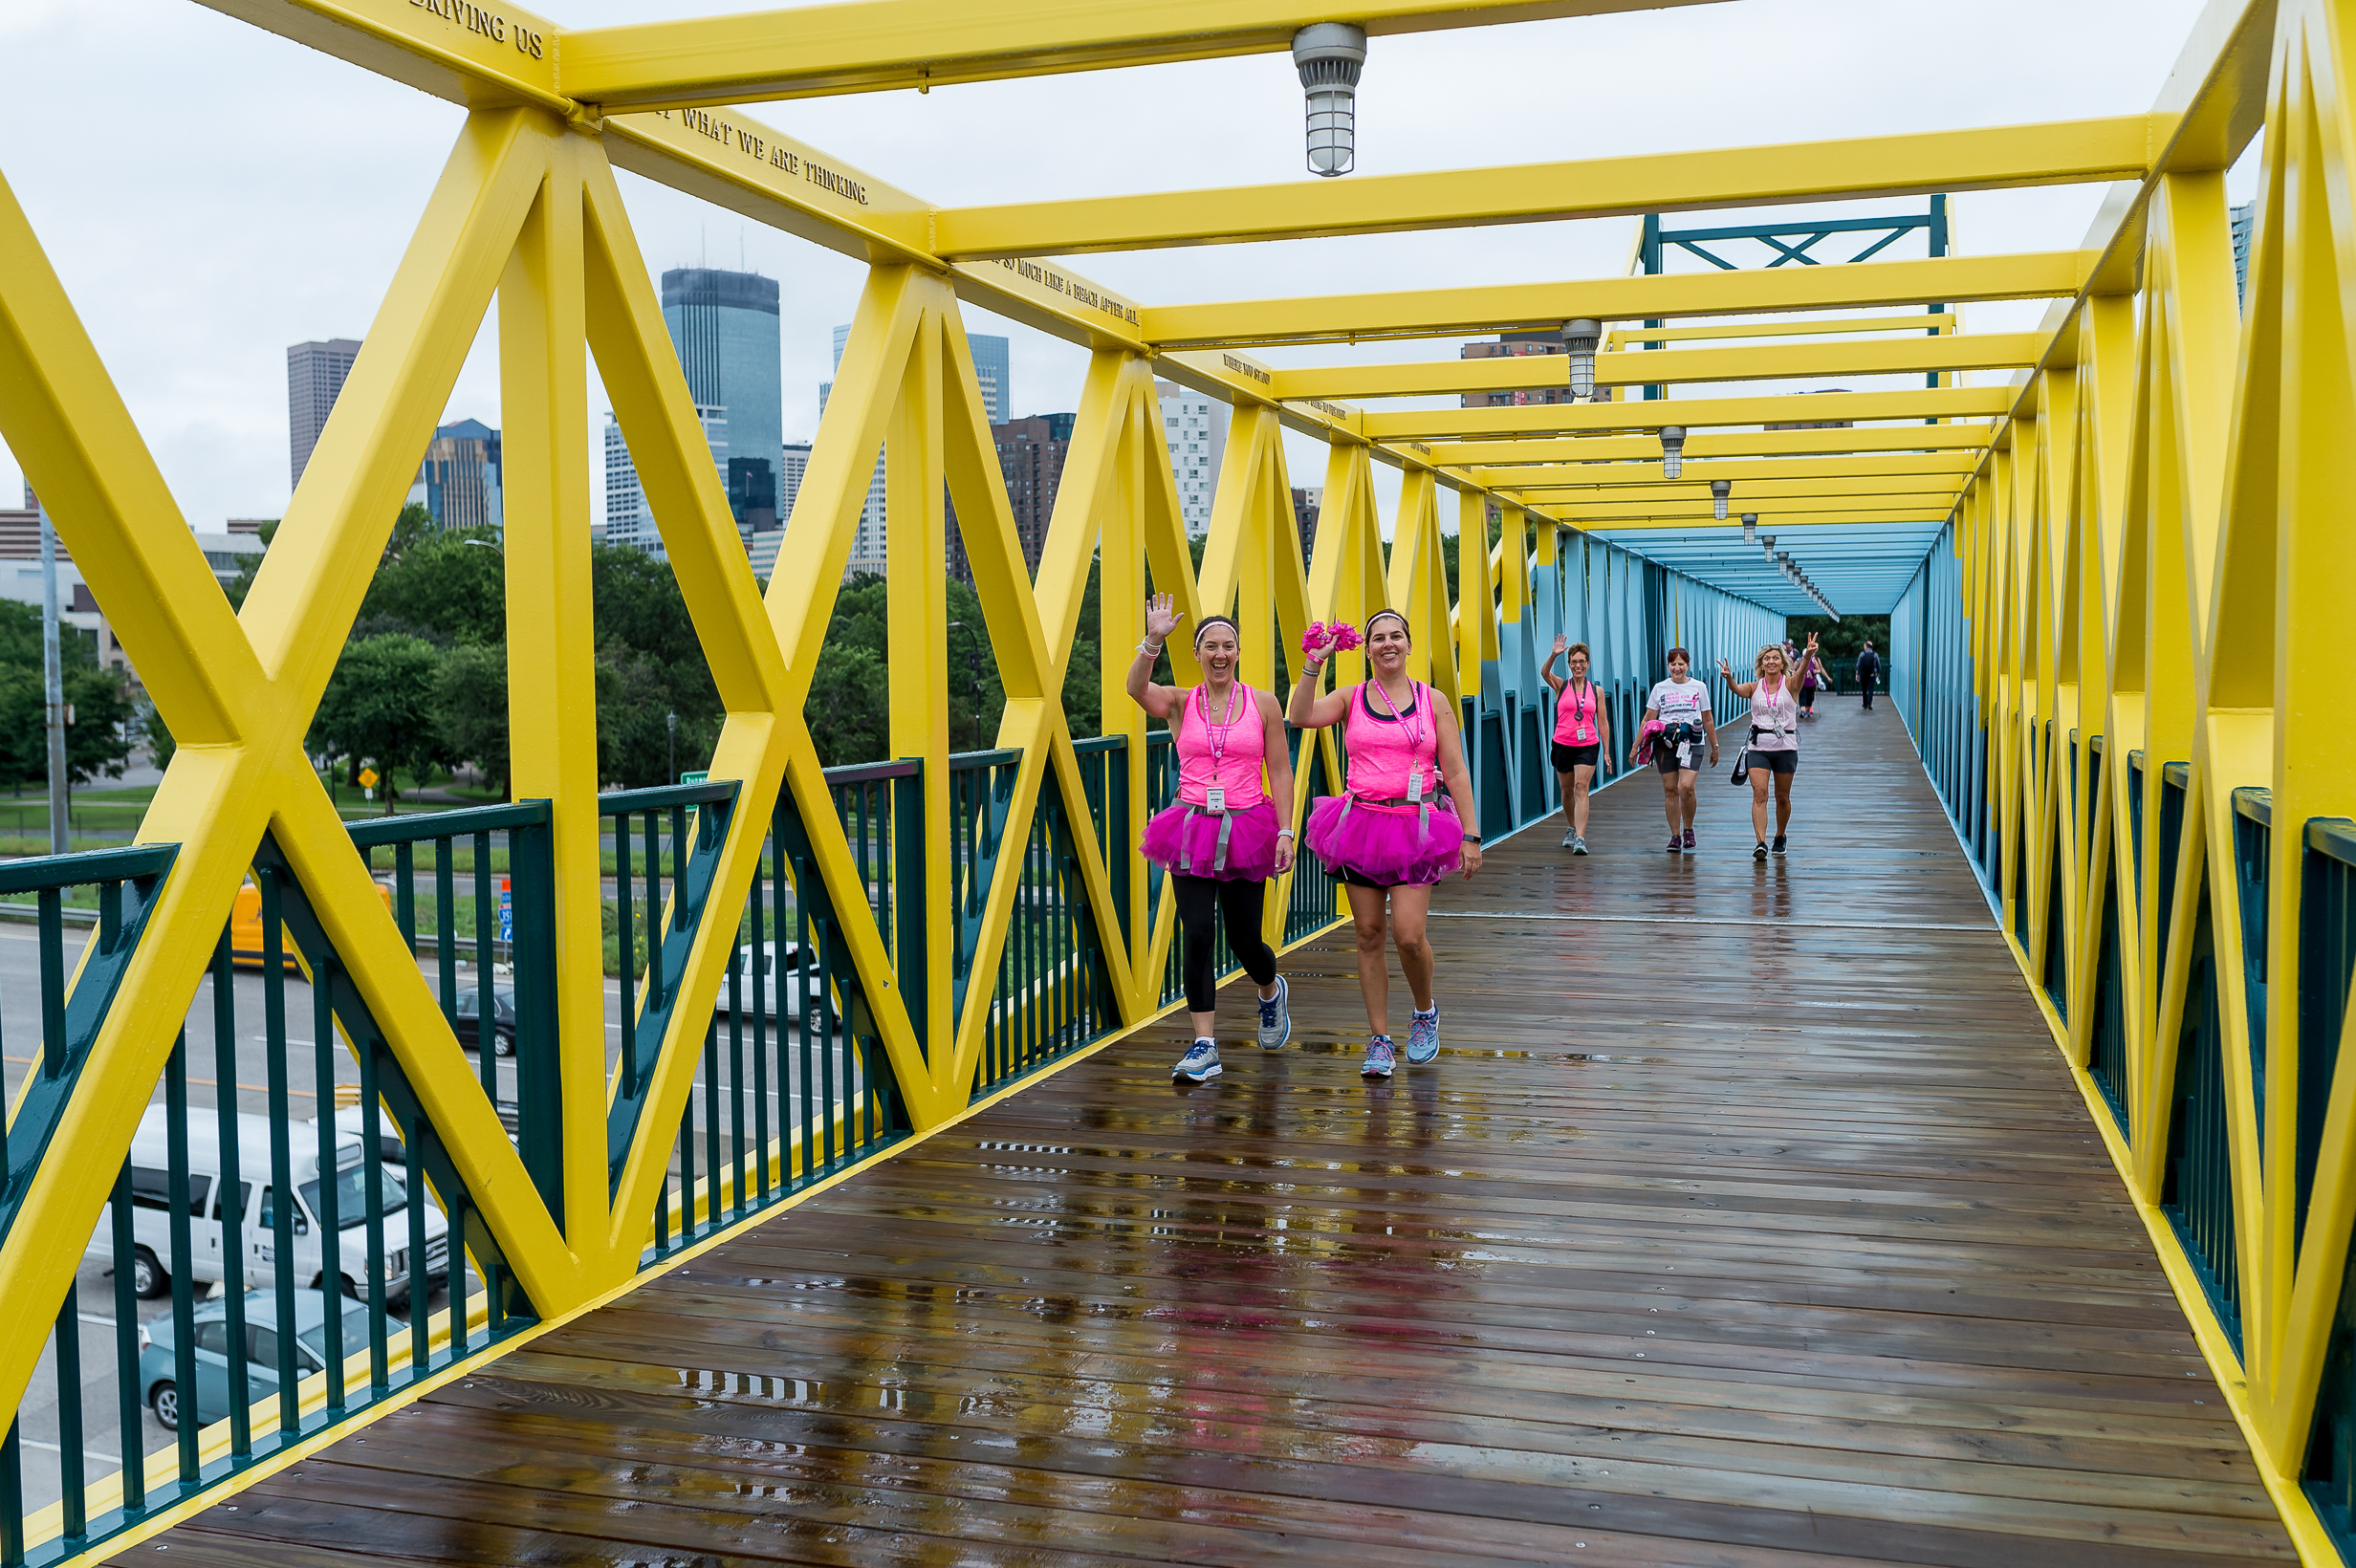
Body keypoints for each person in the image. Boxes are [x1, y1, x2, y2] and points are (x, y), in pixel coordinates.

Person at [1290, 611, 1483, 1079]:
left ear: (1409, 644)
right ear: (1367, 649)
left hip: (1415, 825)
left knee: (1409, 936)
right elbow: (1300, 716)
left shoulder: (1433, 700)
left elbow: (1455, 769)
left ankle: (1424, 1012)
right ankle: (1379, 1039)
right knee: (1369, 933)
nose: (1388, 644)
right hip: (1361, 823)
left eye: (1396, 636)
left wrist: (1472, 835)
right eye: (1378, 638)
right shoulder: (1351, 697)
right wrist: (1314, 663)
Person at [1130, 594, 1295, 1084]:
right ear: (1198, 654)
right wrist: (1152, 641)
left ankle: (1270, 989)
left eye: (1228, 646)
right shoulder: (1181, 702)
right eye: (1210, 647)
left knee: (1245, 940)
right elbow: (1136, 688)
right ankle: (1204, 1045)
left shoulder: (1263, 703)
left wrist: (1286, 830)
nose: (1219, 654)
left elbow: (1279, 770)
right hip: (1191, 825)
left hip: (1247, 825)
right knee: (1198, 932)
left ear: (1238, 652)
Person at [1718, 633, 1816, 859]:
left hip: (1785, 747)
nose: (1771, 661)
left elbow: (1801, 674)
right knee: (1759, 793)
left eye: (1775, 658)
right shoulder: (1755, 687)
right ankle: (1760, 842)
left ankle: (1780, 835)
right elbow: (1738, 690)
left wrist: (1807, 657)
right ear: (1761, 664)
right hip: (1758, 746)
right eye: (1767, 658)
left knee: (1782, 797)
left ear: (1783, 663)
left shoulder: (1790, 684)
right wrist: (1729, 679)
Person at [1541, 635, 1613, 854]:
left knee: (1581, 788)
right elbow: (1544, 673)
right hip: (1562, 744)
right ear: (1569, 664)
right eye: (1574, 662)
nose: (1578, 665)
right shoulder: (1561, 685)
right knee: (1566, 792)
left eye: (1582, 661)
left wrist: (1607, 751)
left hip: (1588, 744)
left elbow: (1603, 722)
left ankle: (1581, 838)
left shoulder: (1596, 691)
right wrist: (1554, 655)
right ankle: (1572, 828)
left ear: (1588, 664)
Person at [1643, 647, 1717, 854]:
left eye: (1681, 664)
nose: (1677, 668)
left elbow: (1707, 718)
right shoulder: (1659, 688)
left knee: (1686, 787)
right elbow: (1649, 718)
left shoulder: (1699, 687)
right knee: (1670, 790)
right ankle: (1675, 836)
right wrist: (1635, 747)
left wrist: (1715, 746)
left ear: (1688, 665)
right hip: (1665, 743)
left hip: (1692, 742)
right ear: (1668, 666)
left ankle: (1688, 829)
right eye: (1673, 664)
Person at [1798, 650, 1826, 720]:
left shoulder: (1813, 661)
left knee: (1810, 698)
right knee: (1802, 697)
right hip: (1802, 683)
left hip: (1811, 683)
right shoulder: (1800, 660)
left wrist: (1814, 671)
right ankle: (1803, 711)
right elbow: (1794, 668)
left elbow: (1819, 670)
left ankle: (1807, 710)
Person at [1856, 640, 1882, 711]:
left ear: (1867, 646)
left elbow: (1858, 664)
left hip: (1864, 674)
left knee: (1864, 689)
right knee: (1870, 689)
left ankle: (1864, 704)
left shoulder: (1862, 654)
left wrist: (1857, 673)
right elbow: (1878, 664)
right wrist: (1878, 672)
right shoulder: (1875, 654)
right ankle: (1869, 703)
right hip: (1872, 674)